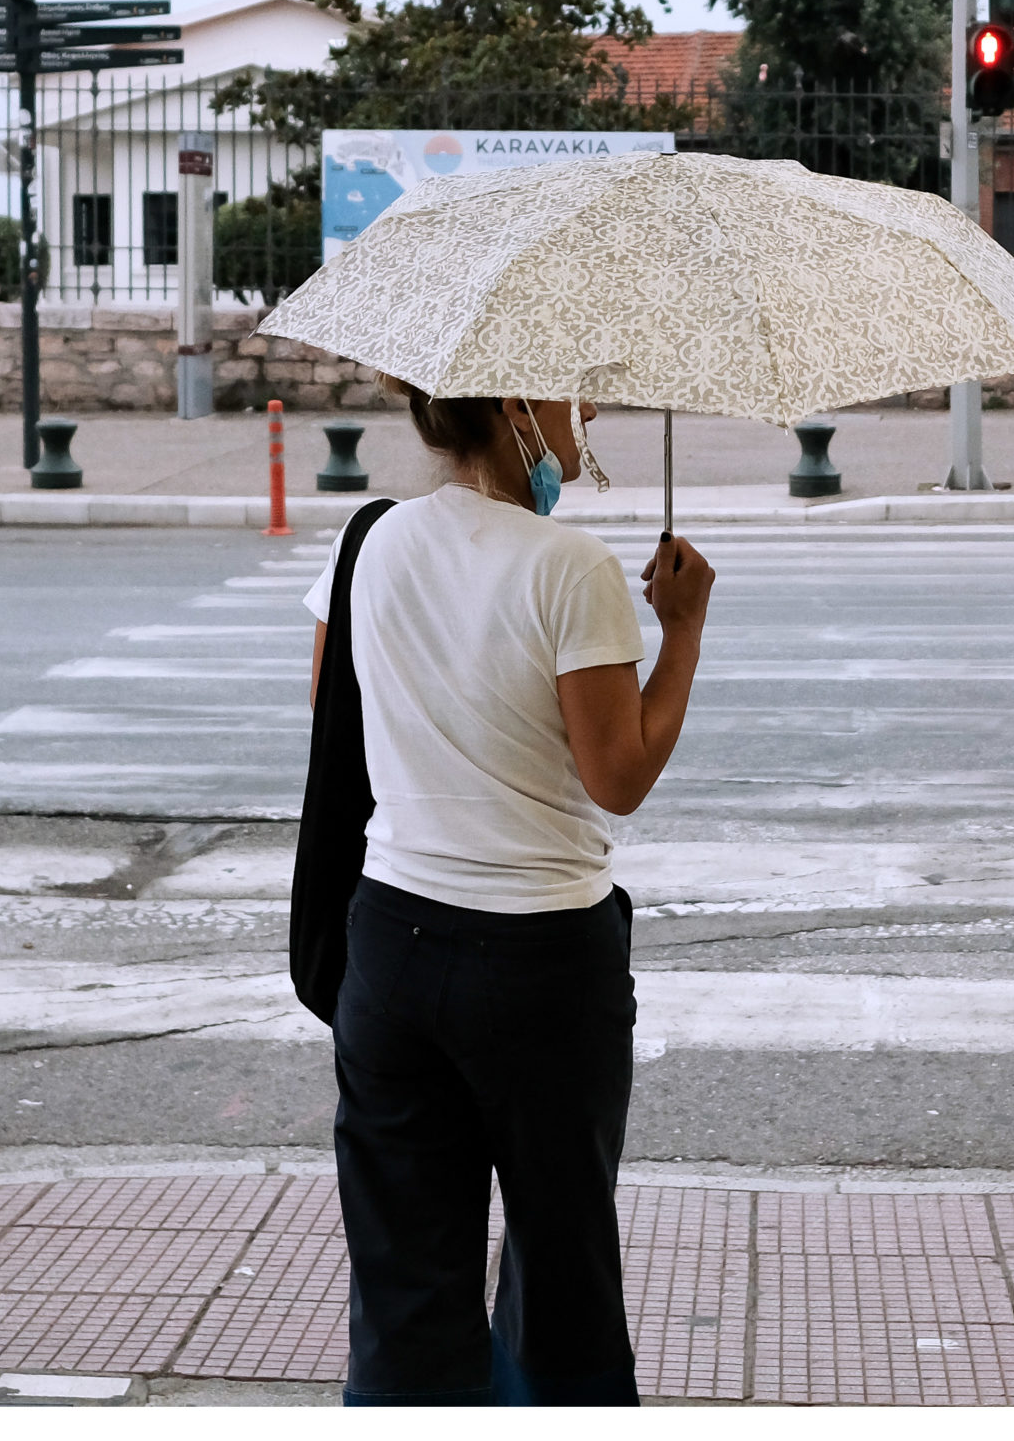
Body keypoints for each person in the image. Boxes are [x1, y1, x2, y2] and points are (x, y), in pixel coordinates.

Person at [303, 384, 714, 1406]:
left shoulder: (370, 542)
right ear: (518, 407)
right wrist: (682, 632)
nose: (583, 426)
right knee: (559, 1268)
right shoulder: (567, 565)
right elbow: (617, 774)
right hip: (540, 962)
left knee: (404, 1279)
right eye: (571, 403)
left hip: (389, 945)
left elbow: (329, 706)